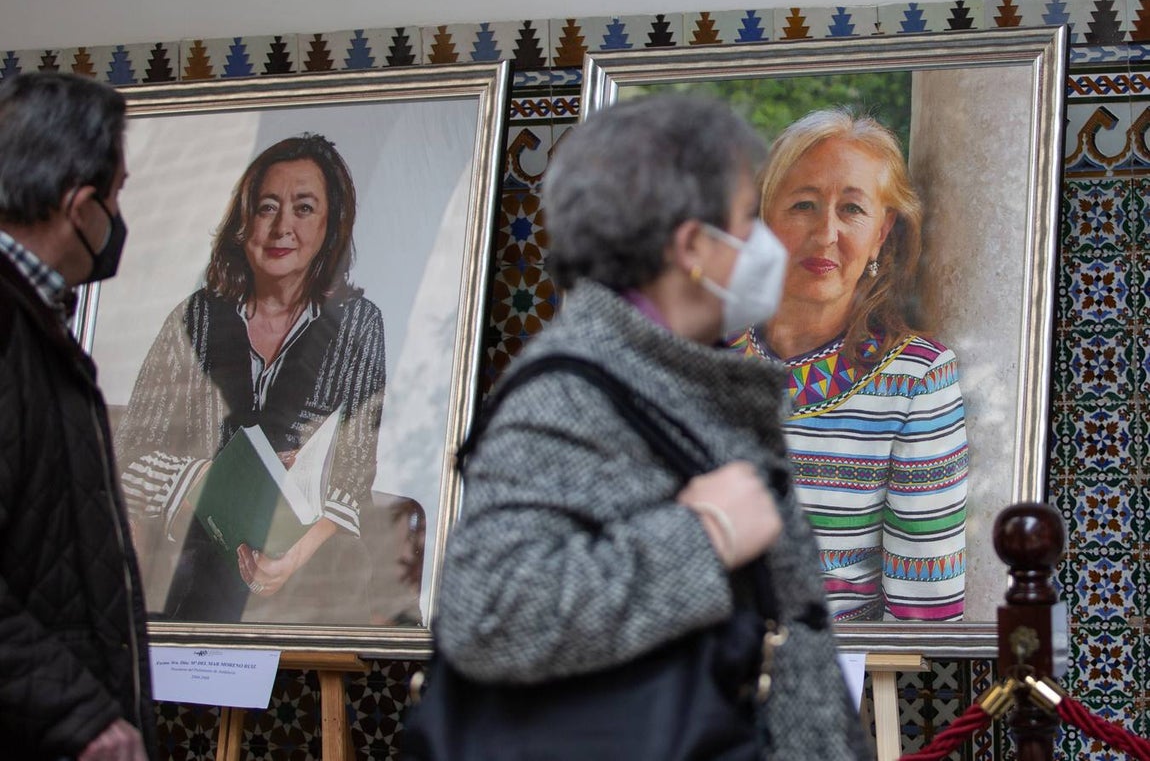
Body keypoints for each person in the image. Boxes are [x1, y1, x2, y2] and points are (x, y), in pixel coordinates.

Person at [434, 94, 867, 758]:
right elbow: (488, 612)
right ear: (694, 246)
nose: (767, 244)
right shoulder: (568, 394)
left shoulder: (677, 375)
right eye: (748, 218)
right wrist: (702, 536)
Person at [114, 134, 389, 624]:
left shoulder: (359, 325)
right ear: (245, 222)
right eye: (267, 207)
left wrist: (291, 557)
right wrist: (203, 478)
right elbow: (129, 456)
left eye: (304, 208)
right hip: (193, 555)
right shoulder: (195, 318)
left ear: (331, 226)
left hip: (304, 566)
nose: (283, 226)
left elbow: (351, 479)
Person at [728, 107, 968, 622]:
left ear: (883, 233)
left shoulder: (916, 380)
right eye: (804, 204)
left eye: (852, 210)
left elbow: (924, 610)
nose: (826, 233)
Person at [0, 73, 155, 760]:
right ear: (80, 205)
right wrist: (80, 713)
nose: (118, 217)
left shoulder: (34, 320)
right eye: (116, 194)